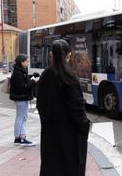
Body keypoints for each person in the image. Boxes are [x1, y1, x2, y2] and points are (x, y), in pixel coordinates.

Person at [36, 39, 91, 176]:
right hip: (69, 136)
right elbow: (76, 109)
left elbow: (40, 104)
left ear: (52, 56)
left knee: (52, 167)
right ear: (68, 55)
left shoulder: (45, 75)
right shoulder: (69, 77)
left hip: (50, 133)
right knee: (69, 168)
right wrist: (85, 126)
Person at [9, 54, 38, 146]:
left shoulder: (19, 71)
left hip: (21, 97)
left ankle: (20, 137)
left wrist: (31, 77)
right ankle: (20, 138)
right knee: (22, 117)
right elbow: (23, 87)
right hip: (21, 98)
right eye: (27, 61)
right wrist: (33, 81)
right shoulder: (18, 73)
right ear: (22, 62)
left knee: (22, 117)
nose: (28, 63)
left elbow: (23, 83)